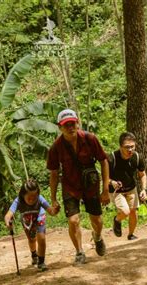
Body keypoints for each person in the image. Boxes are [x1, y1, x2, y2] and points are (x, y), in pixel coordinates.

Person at [47, 109, 110, 265]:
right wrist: (53, 199)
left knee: (97, 219)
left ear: (78, 123)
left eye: (72, 124)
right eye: (66, 125)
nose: (70, 127)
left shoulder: (90, 139)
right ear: (60, 127)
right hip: (70, 186)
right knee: (73, 220)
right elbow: (54, 173)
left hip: (91, 185)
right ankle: (79, 252)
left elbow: (103, 161)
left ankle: (97, 237)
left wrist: (106, 189)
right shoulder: (56, 147)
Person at [4, 179, 57, 272]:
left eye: (34, 197)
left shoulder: (40, 199)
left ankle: (41, 262)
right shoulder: (18, 201)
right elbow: (8, 214)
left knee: (42, 238)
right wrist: (8, 221)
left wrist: (55, 210)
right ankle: (34, 255)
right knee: (31, 239)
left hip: (39, 217)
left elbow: (51, 212)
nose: (32, 200)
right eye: (29, 197)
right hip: (27, 220)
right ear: (23, 195)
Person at [108, 132, 147, 240]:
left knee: (133, 211)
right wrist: (112, 182)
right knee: (125, 211)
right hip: (116, 190)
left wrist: (144, 190)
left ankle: (131, 235)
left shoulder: (137, 157)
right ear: (120, 147)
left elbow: (142, 174)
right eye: (127, 147)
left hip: (131, 188)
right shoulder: (112, 158)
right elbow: (105, 178)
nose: (130, 150)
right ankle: (117, 220)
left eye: (132, 147)